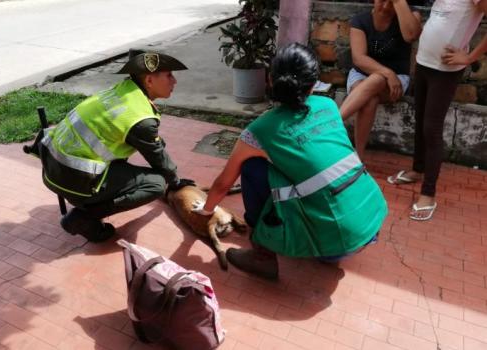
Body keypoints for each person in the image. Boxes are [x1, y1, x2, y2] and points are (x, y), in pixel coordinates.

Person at [191, 43, 388, 279]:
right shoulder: (328, 106)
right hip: (371, 221)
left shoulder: (260, 130)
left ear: (270, 82)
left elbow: (223, 183)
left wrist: (206, 210)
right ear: (315, 83)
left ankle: (262, 255)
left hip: (335, 244)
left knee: (253, 167)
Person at [39, 49, 195, 242]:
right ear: (149, 81)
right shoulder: (139, 118)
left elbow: (152, 144)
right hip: (73, 180)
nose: (175, 81)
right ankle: (83, 217)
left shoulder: (124, 91)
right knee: (156, 184)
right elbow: (157, 157)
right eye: (169, 75)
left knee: (152, 151)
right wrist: (175, 182)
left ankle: (90, 201)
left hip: (53, 167)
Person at [387, 0, 487, 221]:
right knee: (420, 118)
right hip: (424, 63)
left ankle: (428, 194)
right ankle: (417, 169)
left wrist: (470, 58)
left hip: (446, 70)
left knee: (431, 128)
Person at [339, 0, 421, 159]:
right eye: (382, 1)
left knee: (377, 79)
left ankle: (332, 122)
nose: (385, 6)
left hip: (397, 80)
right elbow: (359, 59)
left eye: (391, 2)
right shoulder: (360, 20)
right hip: (361, 75)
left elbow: (411, 36)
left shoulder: (410, 15)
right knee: (370, 99)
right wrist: (387, 73)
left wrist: (399, 3)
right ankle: (359, 157)